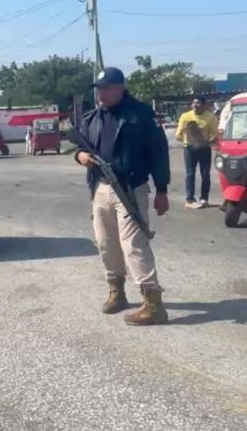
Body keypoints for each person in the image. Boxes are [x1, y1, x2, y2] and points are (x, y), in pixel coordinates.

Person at [75, 67, 171, 326]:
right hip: (100, 188)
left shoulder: (140, 115)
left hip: (130, 187)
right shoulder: (92, 118)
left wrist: (162, 190)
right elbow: (81, 148)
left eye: (106, 88)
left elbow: (158, 153)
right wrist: (80, 157)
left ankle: (153, 303)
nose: (101, 94)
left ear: (120, 88)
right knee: (106, 242)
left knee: (134, 244)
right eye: (99, 89)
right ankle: (116, 290)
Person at [175, 97, 219, 209]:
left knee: (205, 174)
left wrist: (209, 141)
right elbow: (178, 135)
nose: (195, 105)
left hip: (204, 148)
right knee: (190, 174)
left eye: (198, 103)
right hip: (189, 148)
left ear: (204, 105)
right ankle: (190, 198)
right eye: (194, 103)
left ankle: (204, 198)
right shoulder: (185, 116)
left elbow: (216, 134)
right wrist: (188, 140)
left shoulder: (210, 117)